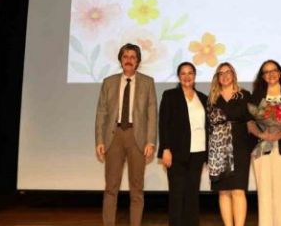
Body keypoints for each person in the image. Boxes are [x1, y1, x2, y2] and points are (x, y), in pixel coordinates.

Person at [95, 43, 157, 226]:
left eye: (132, 57)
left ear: (138, 61)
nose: (129, 60)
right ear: (120, 60)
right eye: (125, 56)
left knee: (137, 189)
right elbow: (101, 113)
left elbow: (152, 113)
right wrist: (99, 140)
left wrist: (151, 141)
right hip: (113, 137)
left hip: (137, 138)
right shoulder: (108, 82)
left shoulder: (147, 82)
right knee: (111, 187)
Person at [247, 60, 281, 226]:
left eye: (274, 70)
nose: (270, 74)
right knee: (265, 192)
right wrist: (262, 134)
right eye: (266, 72)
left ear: (280, 73)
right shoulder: (256, 95)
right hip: (263, 148)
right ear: (262, 76)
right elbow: (249, 122)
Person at [158, 62, 208, 226]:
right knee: (177, 195)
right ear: (179, 77)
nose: (187, 77)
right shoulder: (170, 95)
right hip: (176, 153)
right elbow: (163, 124)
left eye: (190, 73)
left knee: (192, 195)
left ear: (195, 76)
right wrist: (165, 149)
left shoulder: (203, 98)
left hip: (198, 152)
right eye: (183, 73)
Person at [207, 62, 253, 226]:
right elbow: (208, 126)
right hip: (218, 149)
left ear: (233, 74)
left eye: (228, 72)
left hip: (240, 147)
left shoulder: (244, 95)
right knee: (223, 192)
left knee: (238, 191)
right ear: (217, 78)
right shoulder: (212, 98)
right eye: (221, 73)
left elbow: (251, 122)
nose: (225, 76)